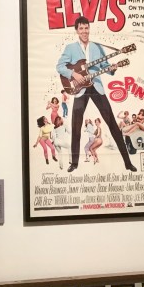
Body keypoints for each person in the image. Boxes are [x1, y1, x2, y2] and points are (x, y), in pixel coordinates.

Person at [56, 16, 137, 172]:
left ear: (89, 29)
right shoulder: (70, 48)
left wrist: (112, 69)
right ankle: (74, 163)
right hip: (80, 90)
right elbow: (60, 66)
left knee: (112, 124)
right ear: (76, 30)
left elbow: (105, 65)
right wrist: (73, 74)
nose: (84, 31)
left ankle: (128, 163)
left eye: (86, 28)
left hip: (97, 87)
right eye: (81, 28)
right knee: (76, 127)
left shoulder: (97, 47)